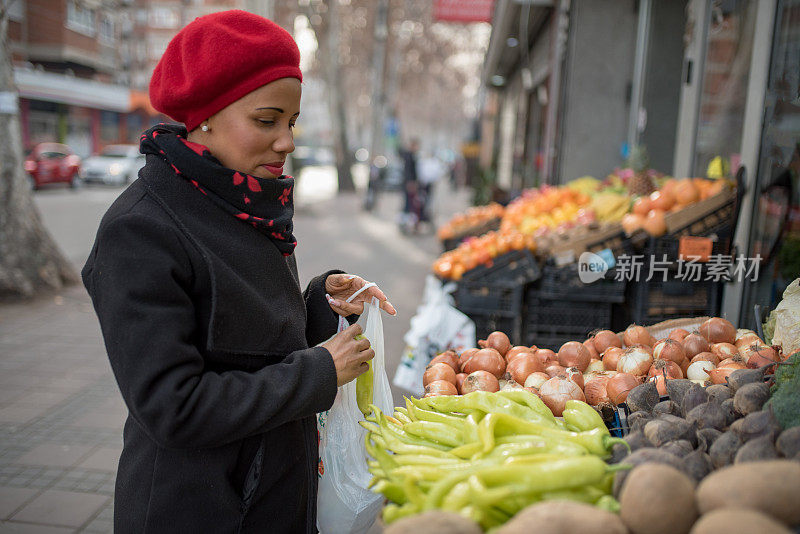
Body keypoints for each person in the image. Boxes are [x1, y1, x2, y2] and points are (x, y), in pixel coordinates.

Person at [81, 11, 395, 534]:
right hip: (200, 509)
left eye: (290, 123)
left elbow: (251, 335)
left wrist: (322, 302)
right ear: (205, 116)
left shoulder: (242, 198)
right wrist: (317, 373)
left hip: (276, 493)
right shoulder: (139, 231)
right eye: (267, 120)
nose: (286, 143)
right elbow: (173, 407)